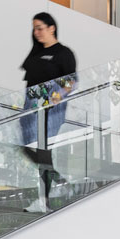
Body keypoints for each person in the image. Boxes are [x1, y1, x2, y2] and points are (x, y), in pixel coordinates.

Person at [19, 12, 78, 213]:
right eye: (34, 28)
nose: (36, 32)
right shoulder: (35, 54)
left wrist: (56, 96)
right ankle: (58, 182)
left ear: (51, 27)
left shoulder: (63, 53)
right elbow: (30, 84)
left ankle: (44, 200)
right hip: (31, 104)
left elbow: (71, 80)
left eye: (40, 28)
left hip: (50, 106)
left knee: (44, 151)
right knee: (27, 148)